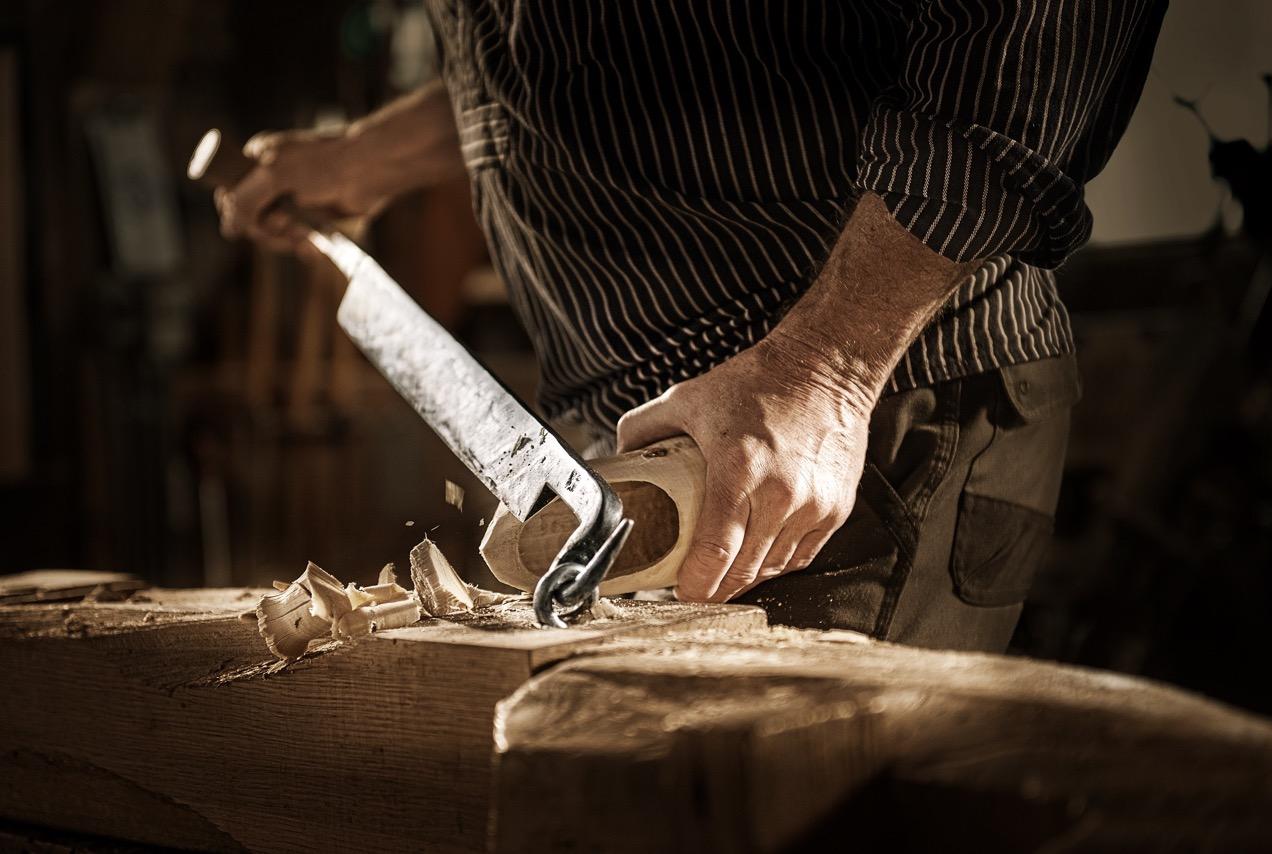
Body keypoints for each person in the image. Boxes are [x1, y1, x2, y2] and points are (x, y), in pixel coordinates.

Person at [217, 1, 1168, 652]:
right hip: (641, 442)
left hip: (844, 426)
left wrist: (828, 368)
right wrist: (364, 160)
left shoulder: (830, 387)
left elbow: (1037, 33)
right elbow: (582, 60)